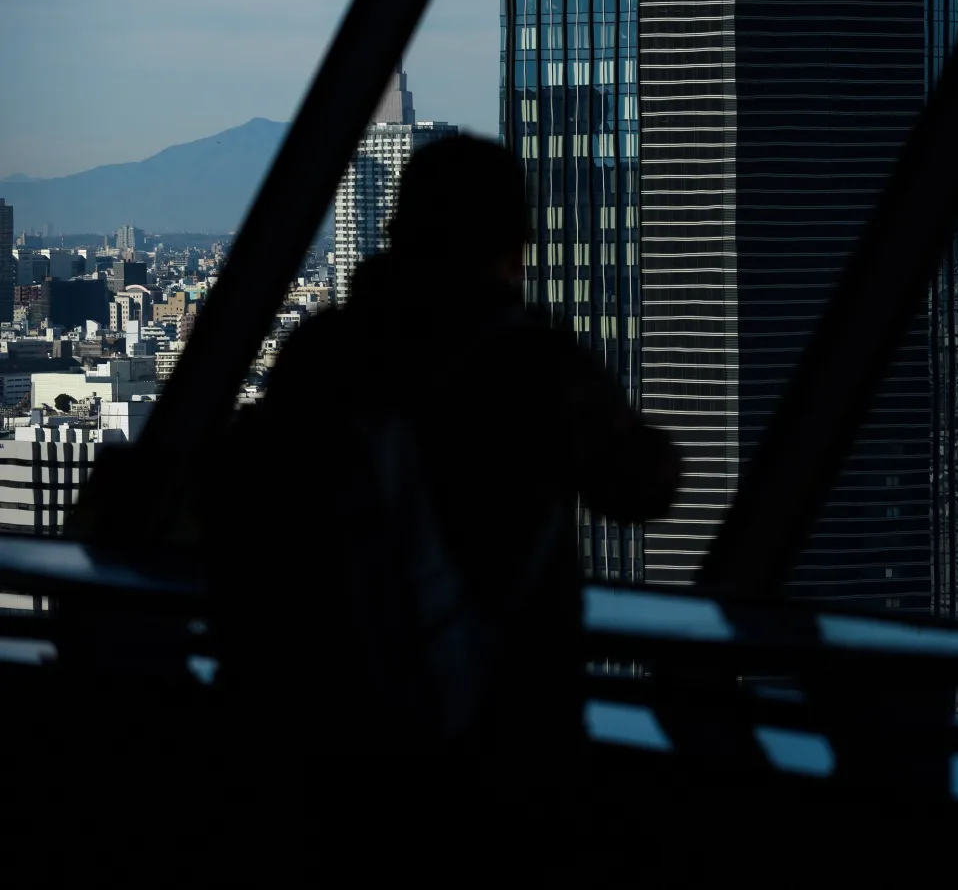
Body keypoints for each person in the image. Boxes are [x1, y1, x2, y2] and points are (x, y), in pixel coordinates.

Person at [208, 135, 678, 763]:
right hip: (508, 722)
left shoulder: (324, 352)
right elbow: (641, 486)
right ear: (513, 248)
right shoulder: (532, 365)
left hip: (323, 719)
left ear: (398, 230)